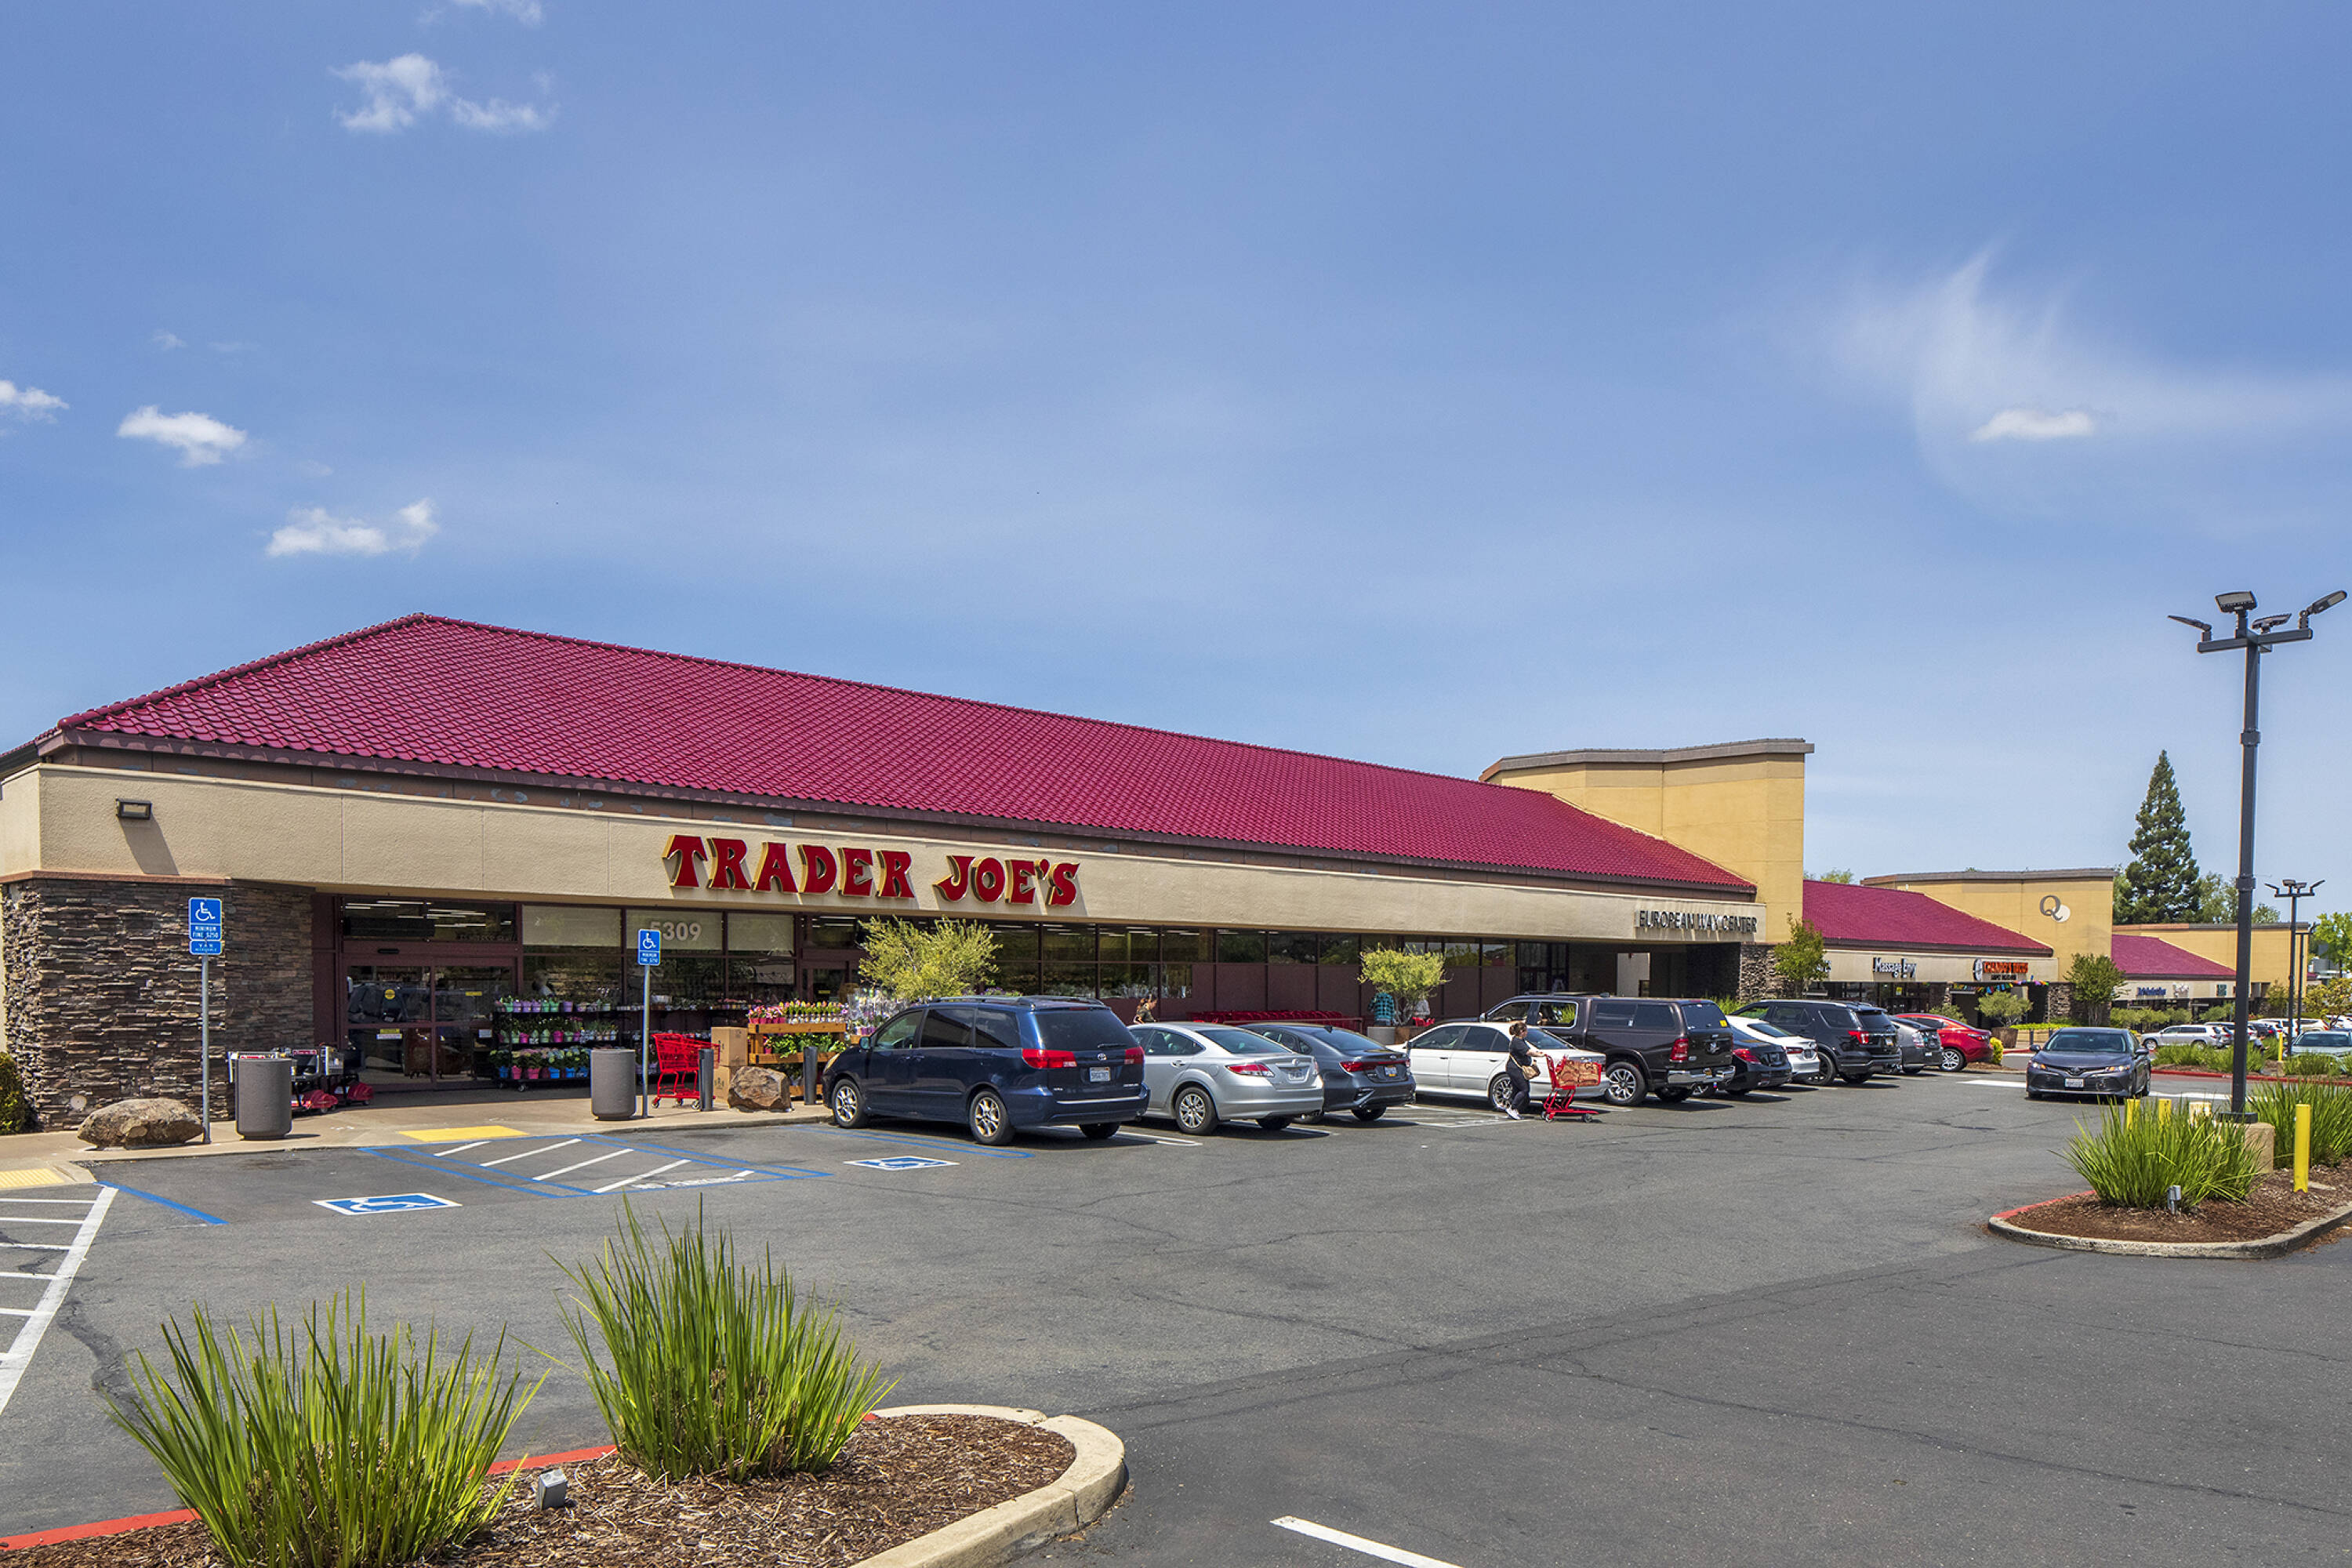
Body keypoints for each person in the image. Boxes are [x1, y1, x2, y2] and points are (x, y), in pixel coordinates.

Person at [1499, 1021, 1537, 1119]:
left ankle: (1512, 1108)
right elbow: (1528, 1052)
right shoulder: (1517, 1041)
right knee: (1525, 1089)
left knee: (1517, 1089)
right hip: (1515, 1069)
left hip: (1517, 1068)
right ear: (1521, 1031)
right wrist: (1539, 1054)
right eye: (1526, 1031)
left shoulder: (1521, 1041)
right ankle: (1513, 1108)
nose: (1527, 1033)